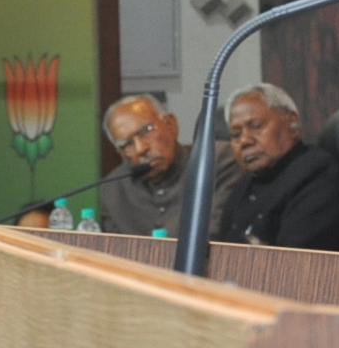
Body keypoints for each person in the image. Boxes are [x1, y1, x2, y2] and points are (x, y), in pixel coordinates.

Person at [213, 83, 339, 253]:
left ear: (292, 123)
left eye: (256, 126)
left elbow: (292, 266)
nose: (244, 141)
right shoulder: (244, 186)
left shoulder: (319, 176)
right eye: (236, 134)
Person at [95, 94, 245, 240]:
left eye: (145, 131)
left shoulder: (215, 160)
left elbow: (215, 233)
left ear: (171, 124)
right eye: (127, 144)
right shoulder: (113, 190)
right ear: (120, 153)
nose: (141, 149)